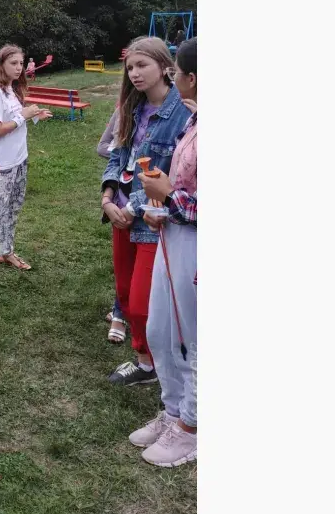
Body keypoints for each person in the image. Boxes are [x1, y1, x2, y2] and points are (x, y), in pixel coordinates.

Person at [100, 37, 190, 387]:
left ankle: (165, 364)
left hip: (152, 221)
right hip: (119, 216)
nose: (134, 73)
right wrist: (108, 197)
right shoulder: (132, 107)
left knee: (141, 304)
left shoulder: (184, 113)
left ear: (165, 67)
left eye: (142, 65)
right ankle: (145, 363)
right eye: (130, 67)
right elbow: (117, 154)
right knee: (124, 294)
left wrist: (130, 207)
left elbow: (175, 176)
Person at [127, 37, 198, 467]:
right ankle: (173, 411)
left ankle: (192, 427)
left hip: (194, 245)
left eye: (179, 73)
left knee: (193, 339)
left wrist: (169, 196)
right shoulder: (196, 119)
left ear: (191, 77)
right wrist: (162, 206)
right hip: (172, 233)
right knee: (161, 330)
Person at [0, 44, 52, 284]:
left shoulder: (12, 89)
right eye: (14, 63)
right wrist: (23, 116)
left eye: (21, 63)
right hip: (2, 165)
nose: (19, 68)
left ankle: (6, 252)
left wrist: (34, 116)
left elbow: (17, 120)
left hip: (20, 159)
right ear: (1, 65)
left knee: (13, 209)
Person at [96, 109, 128, 344]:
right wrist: (124, 155)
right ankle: (120, 312)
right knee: (124, 264)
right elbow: (102, 147)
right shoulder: (124, 109)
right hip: (121, 199)